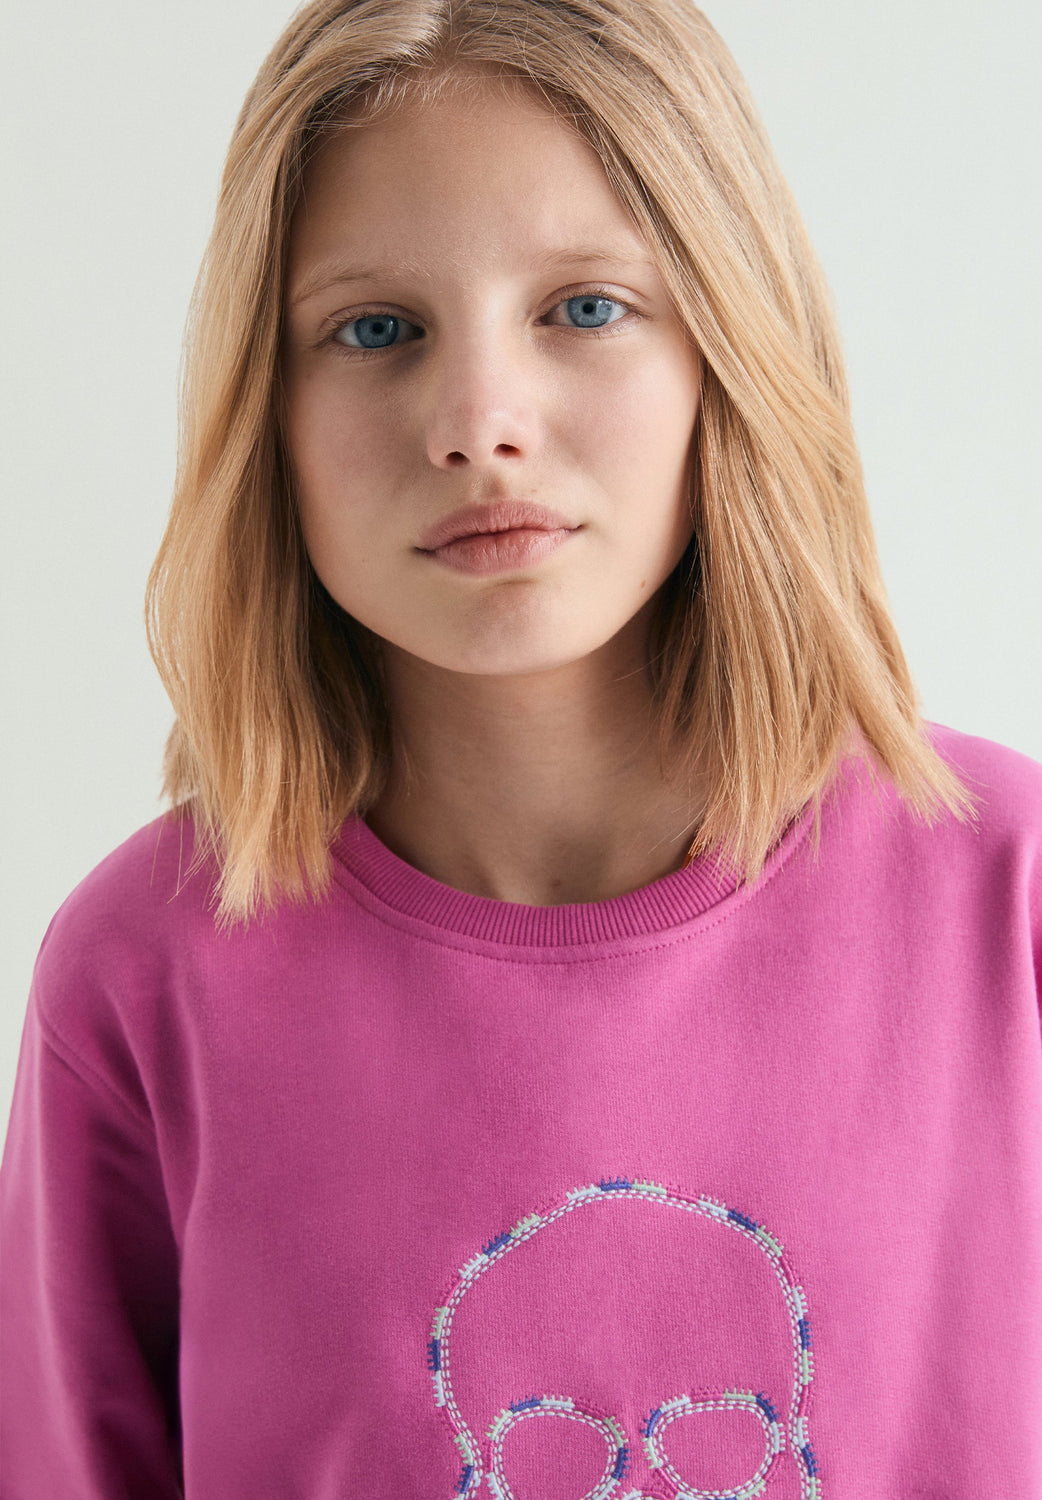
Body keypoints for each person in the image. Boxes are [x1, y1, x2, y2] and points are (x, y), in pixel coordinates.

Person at [1, 0, 1039, 1494]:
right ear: (265, 409)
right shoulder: (142, 980)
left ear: (729, 342)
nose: (479, 422)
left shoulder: (1009, 899)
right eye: (375, 329)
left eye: (584, 308)